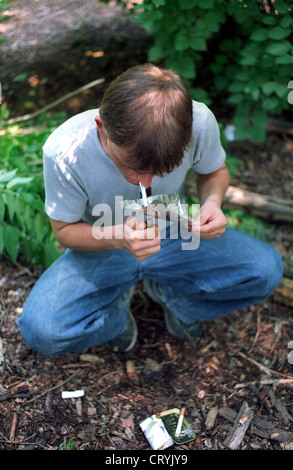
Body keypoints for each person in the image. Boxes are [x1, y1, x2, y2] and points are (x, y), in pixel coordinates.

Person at [19, 64, 283, 356]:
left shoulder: (199, 123)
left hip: (174, 227)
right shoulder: (64, 151)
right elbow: (64, 232)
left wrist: (211, 203)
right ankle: (116, 317)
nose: (145, 182)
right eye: (132, 167)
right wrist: (118, 238)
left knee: (265, 271)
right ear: (102, 128)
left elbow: (214, 171)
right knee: (43, 331)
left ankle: (177, 301)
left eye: (161, 171)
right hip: (102, 241)